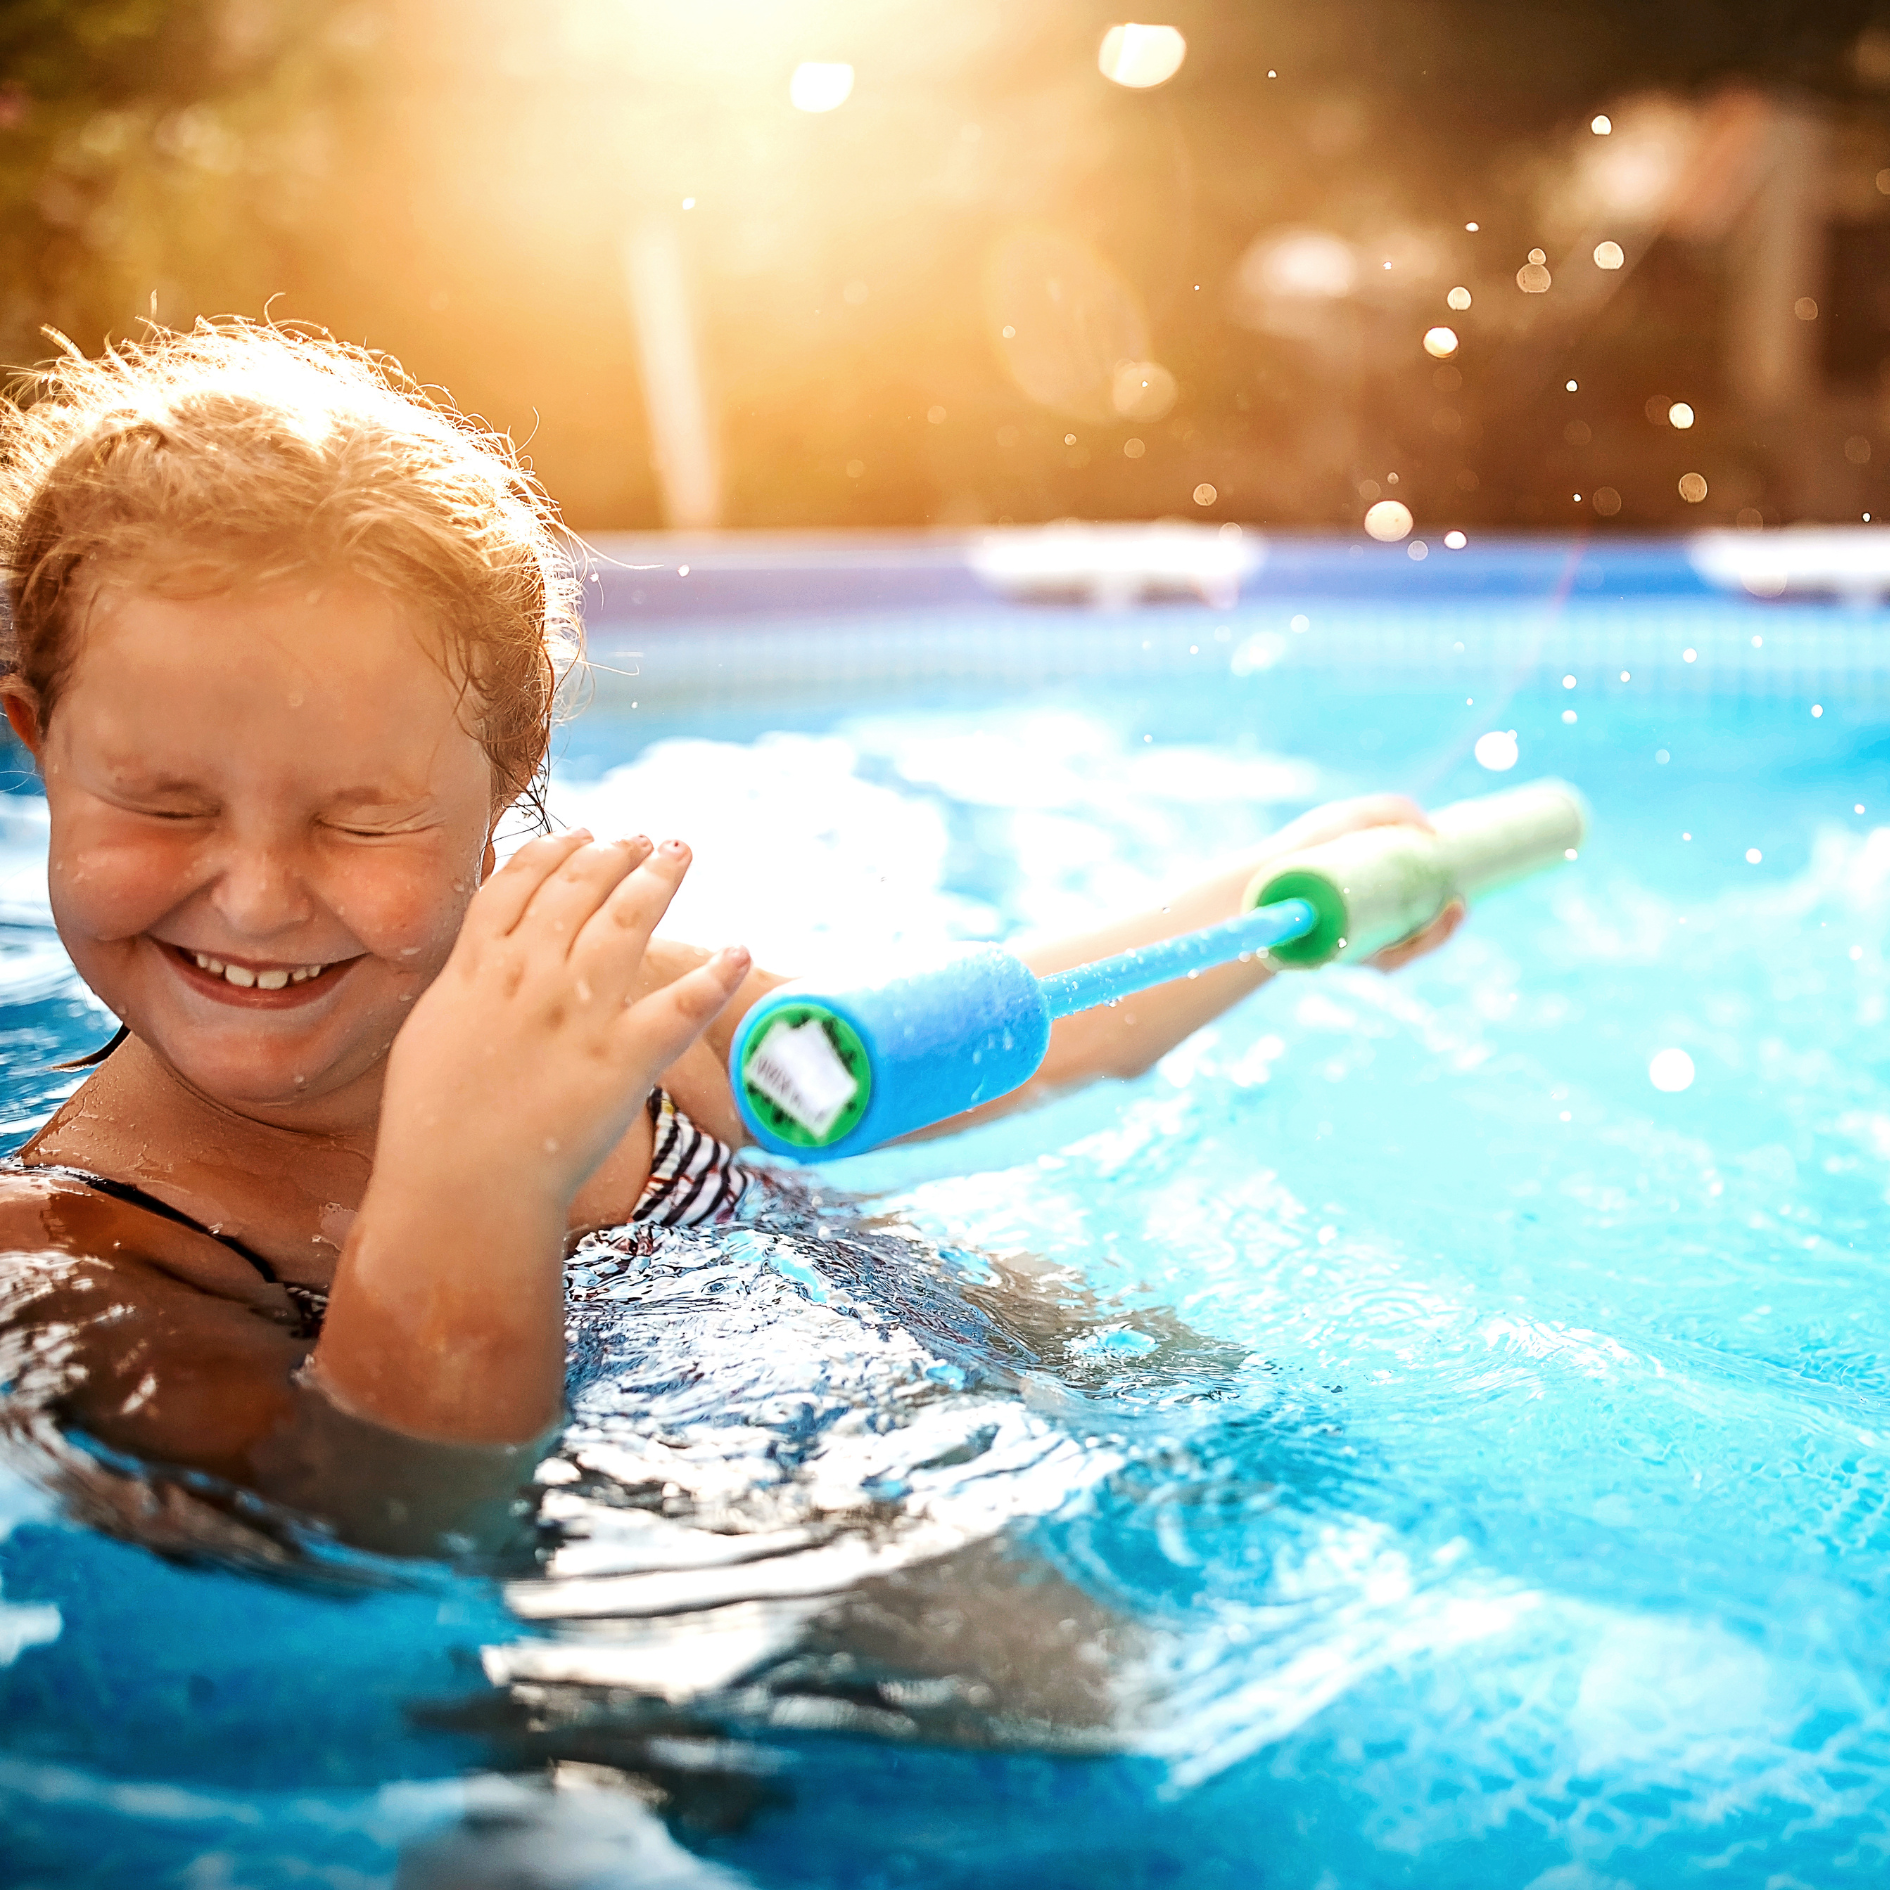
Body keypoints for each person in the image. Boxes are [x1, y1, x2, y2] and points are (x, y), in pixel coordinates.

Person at [0, 321, 1460, 1543]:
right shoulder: (75, 1261)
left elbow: (964, 1053)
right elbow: (388, 1527)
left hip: (967, 1415)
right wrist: (471, 1174)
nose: (255, 894)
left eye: (357, 816)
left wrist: (1273, 903)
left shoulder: (600, 1004)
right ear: (37, 747)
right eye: (163, 802)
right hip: (680, 1606)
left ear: (509, 771)